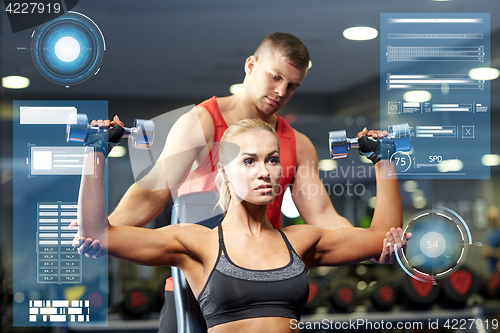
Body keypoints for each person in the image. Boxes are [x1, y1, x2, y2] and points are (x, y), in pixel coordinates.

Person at [73, 32, 409, 332]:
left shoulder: (298, 144)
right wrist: (104, 231)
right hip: (198, 277)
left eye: (292, 85)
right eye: (274, 77)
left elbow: (324, 218)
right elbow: (152, 192)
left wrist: (370, 247)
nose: (281, 91)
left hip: (268, 271)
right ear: (251, 65)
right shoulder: (202, 123)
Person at [78, 118, 404, 333]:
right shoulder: (196, 244)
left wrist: (383, 159)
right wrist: (96, 149)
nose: (264, 171)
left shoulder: (302, 240)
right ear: (223, 174)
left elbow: (381, 238)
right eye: (248, 161)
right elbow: (97, 234)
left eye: (272, 159)